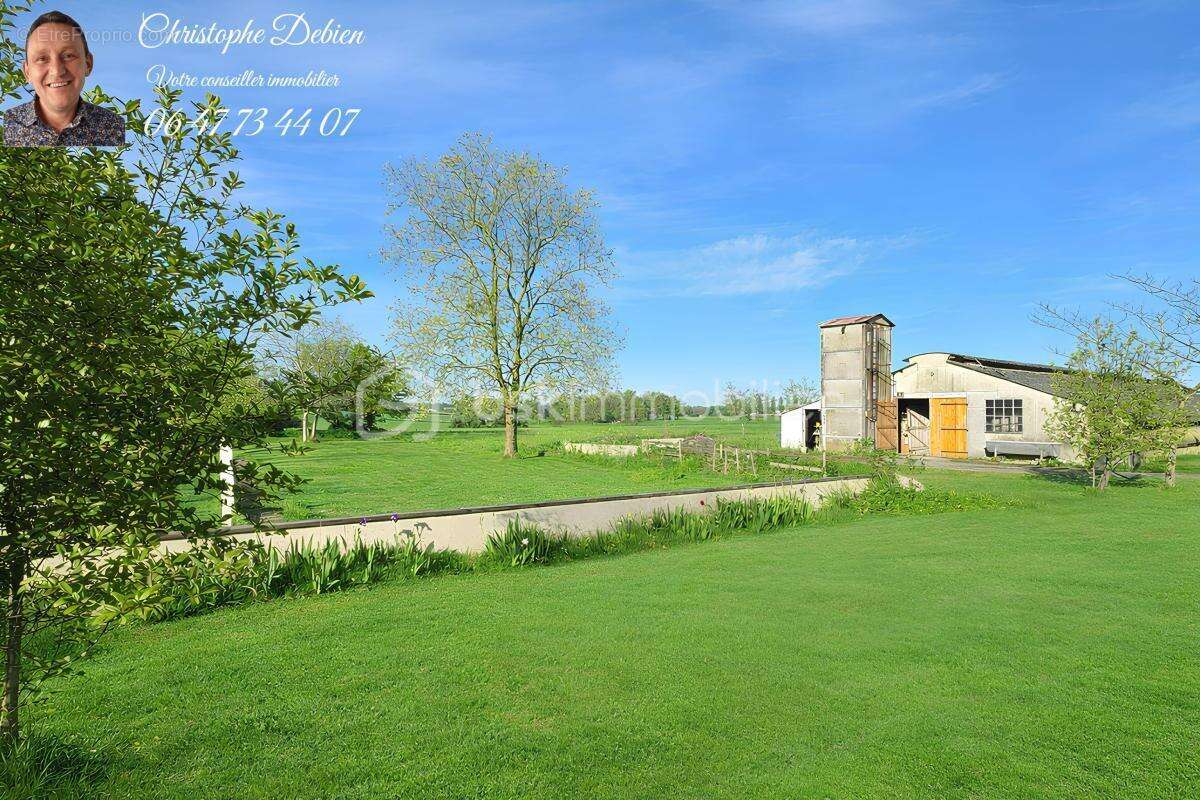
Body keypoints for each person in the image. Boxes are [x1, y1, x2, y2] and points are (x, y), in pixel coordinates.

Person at [2, 10, 125, 147]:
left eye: (68, 56)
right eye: (42, 58)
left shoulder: (115, 128)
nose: (57, 71)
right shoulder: (8, 124)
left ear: (88, 64)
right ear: (27, 72)